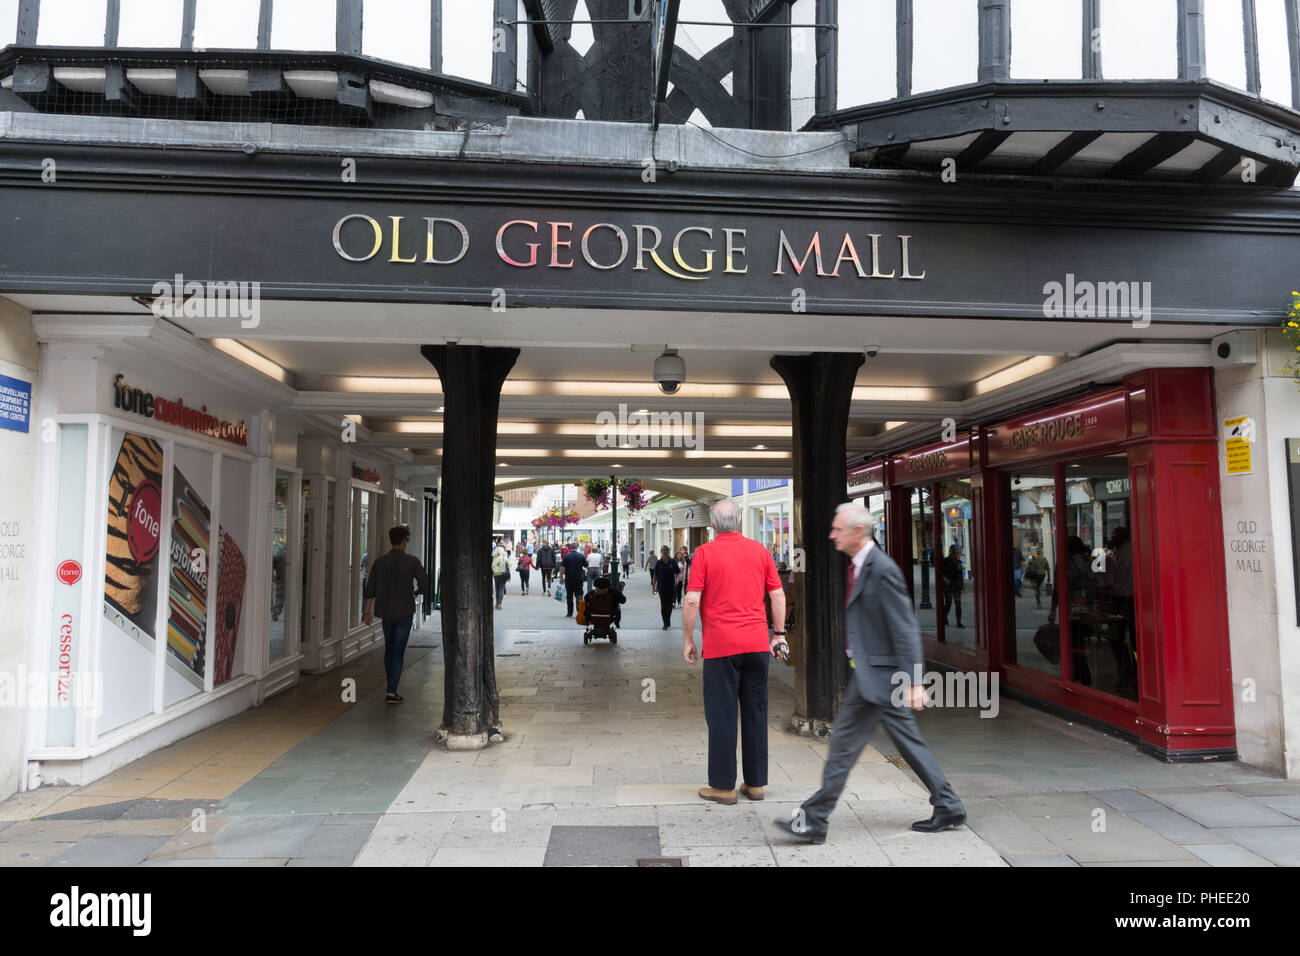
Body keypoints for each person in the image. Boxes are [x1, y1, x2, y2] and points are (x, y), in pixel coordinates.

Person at [777, 503, 965, 842]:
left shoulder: (882, 569)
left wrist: (916, 681)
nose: (832, 534)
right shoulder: (860, 566)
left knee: (845, 748)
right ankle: (949, 805)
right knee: (880, 746)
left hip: (883, 677)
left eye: (838, 529)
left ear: (857, 532)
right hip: (871, 674)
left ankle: (814, 820)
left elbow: (904, 628)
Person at [682, 499, 785, 805]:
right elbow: (777, 594)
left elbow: (691, 600)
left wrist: (688, 639)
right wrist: (778, 634)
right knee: (756, 712)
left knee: (722, 715)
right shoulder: (760, 551)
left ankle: (723, 787)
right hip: (757, 645)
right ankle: (755, 785)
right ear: (739, 521)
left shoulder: (705, 553)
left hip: (721, 647)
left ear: (713, 525)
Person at [362, 526, 430, 704]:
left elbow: (370, 590)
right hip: (405, 611)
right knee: (398, 652)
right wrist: (416, 593)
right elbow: (424, 582)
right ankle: (391, 691)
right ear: (404, 541)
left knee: (389, 649)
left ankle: (390, 686)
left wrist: (366, 612)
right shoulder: (412, 561)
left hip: (386, 612)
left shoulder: (380, 562)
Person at [651, 545, 680, 630]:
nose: (665, 551)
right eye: (663, 550)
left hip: (671, 587)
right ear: (661, 551)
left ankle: (668, 620)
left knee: (670, 605)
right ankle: (665, 623)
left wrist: (677, 580)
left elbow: (678, 572)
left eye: (666, 550)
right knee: (663, 606)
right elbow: (655, 575)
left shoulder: (672, 562)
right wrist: (653, 587)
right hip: (661, 587)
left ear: (668, 551)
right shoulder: (658, 563)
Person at [561, 542, 588, 617]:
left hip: (569, 579)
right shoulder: (581, 556)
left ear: (570, 548)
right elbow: (586, 566)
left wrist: (561, 578)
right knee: (579, 594)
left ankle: (570, 612)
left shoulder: (566, 556)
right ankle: (579, 610)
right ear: (577, 548)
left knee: (569, 596)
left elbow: (562, 568)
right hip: (579, 578)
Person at [941, 544, 964, 628]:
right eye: (956, 551)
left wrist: (962, 586)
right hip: (949, 585)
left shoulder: (958, 561)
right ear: (952, 551)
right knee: (948, 603)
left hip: (956, 584)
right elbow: (941, 572)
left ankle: (959, 622)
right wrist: (945, 580)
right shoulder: (946, 560)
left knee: (958, 604)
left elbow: (960, 573)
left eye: (957, 551)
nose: (957, 552)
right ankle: (944, 617)